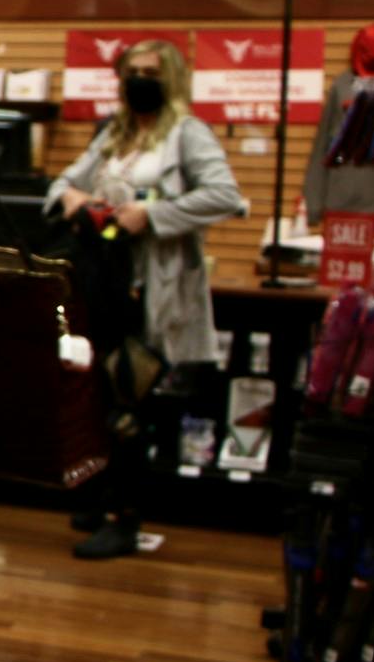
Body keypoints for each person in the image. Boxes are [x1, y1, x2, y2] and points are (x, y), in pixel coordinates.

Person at [47, 41, 244, 560]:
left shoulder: (187, 134)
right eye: (131, 71)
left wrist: (152, 214)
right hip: (105, 280)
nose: (139, 80)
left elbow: (226, 195)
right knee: (105, 395)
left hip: (152, 288)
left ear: (171, 78)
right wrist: (72, 197)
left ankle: (125, 519)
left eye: (150, 72)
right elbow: (66, 181)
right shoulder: (115, 132)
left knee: (132, 400)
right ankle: (105, 497)